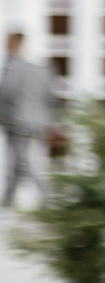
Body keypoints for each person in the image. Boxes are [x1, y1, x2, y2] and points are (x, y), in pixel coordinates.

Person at [1, 30, 55, 211]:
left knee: (23, 161)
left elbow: (7, 93)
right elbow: (50, 95)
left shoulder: (14, 65)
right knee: (16, 160)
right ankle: (8, 198)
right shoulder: (39, 66)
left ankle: (48, 197)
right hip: (37, 121)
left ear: (15, 41)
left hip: (17, 121)